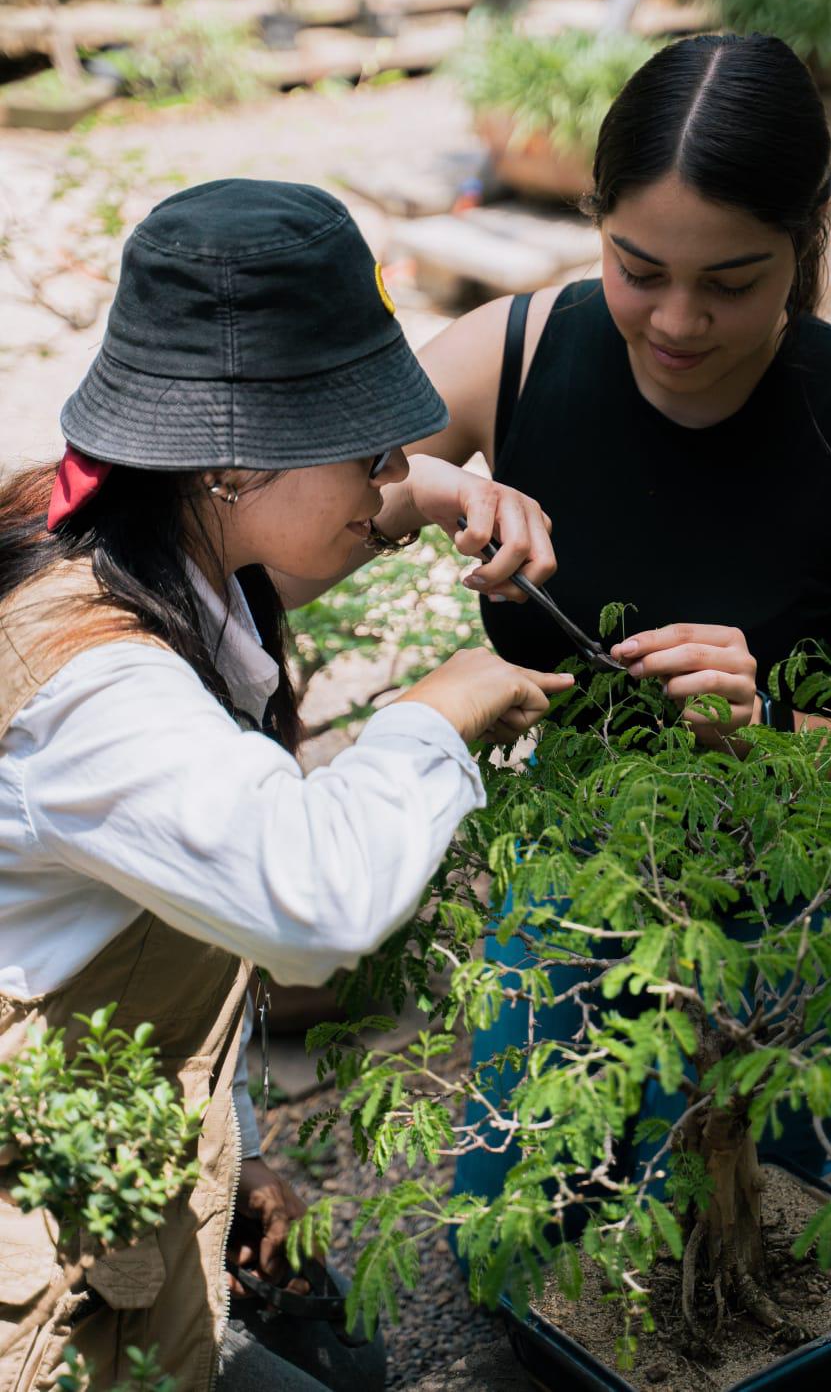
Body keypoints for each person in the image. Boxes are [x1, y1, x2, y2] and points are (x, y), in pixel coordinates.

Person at [0, 179, 572, 1392]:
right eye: (368, 451)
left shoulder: (125, 537)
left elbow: (301, 530)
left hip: (105, 1169)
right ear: (228, 467)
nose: (388, 483)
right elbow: (313, 900)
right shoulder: (98, 696)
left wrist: (434, 492)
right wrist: (442, 707)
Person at [409, 33, 831, 1201]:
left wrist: (766, 725)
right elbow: (310, 499)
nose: (675, 321)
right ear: (597, 223)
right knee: (522, 1216)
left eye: (731, 282)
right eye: (636, 268)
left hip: (801, 894)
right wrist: (441, 486)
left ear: (803, 243)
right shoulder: (514, 354)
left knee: (739, 1223)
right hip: (584, 859)